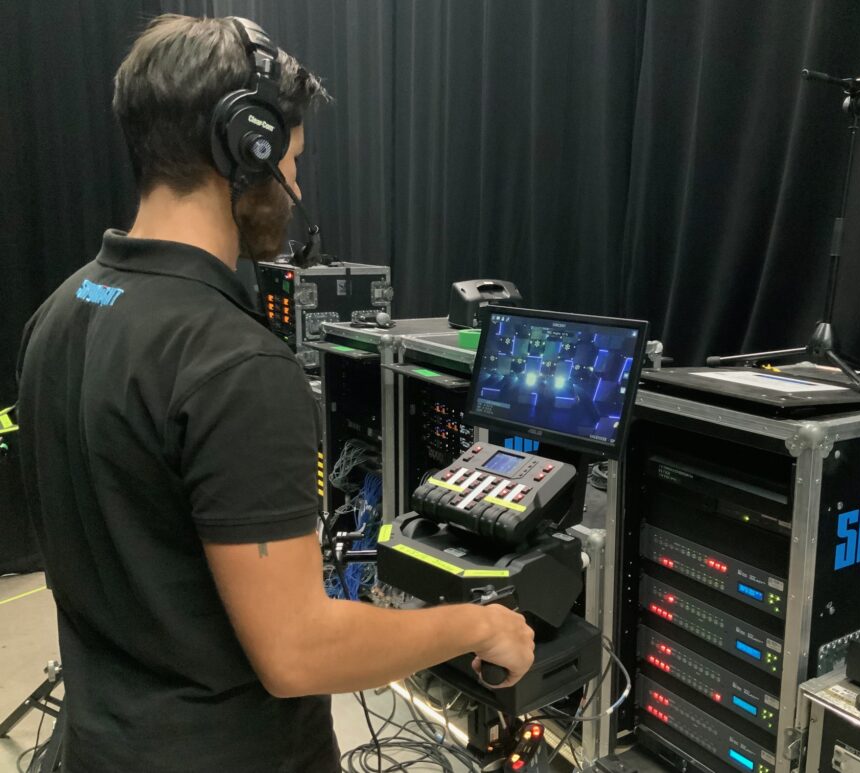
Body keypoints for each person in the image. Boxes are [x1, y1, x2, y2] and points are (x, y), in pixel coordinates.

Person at [16, 14, 533, 773]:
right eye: (292, 162)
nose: (296, 189)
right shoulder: (237, 366)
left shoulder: (58, 312)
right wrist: (480, 625)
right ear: (245, 147)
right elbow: (299, 650)